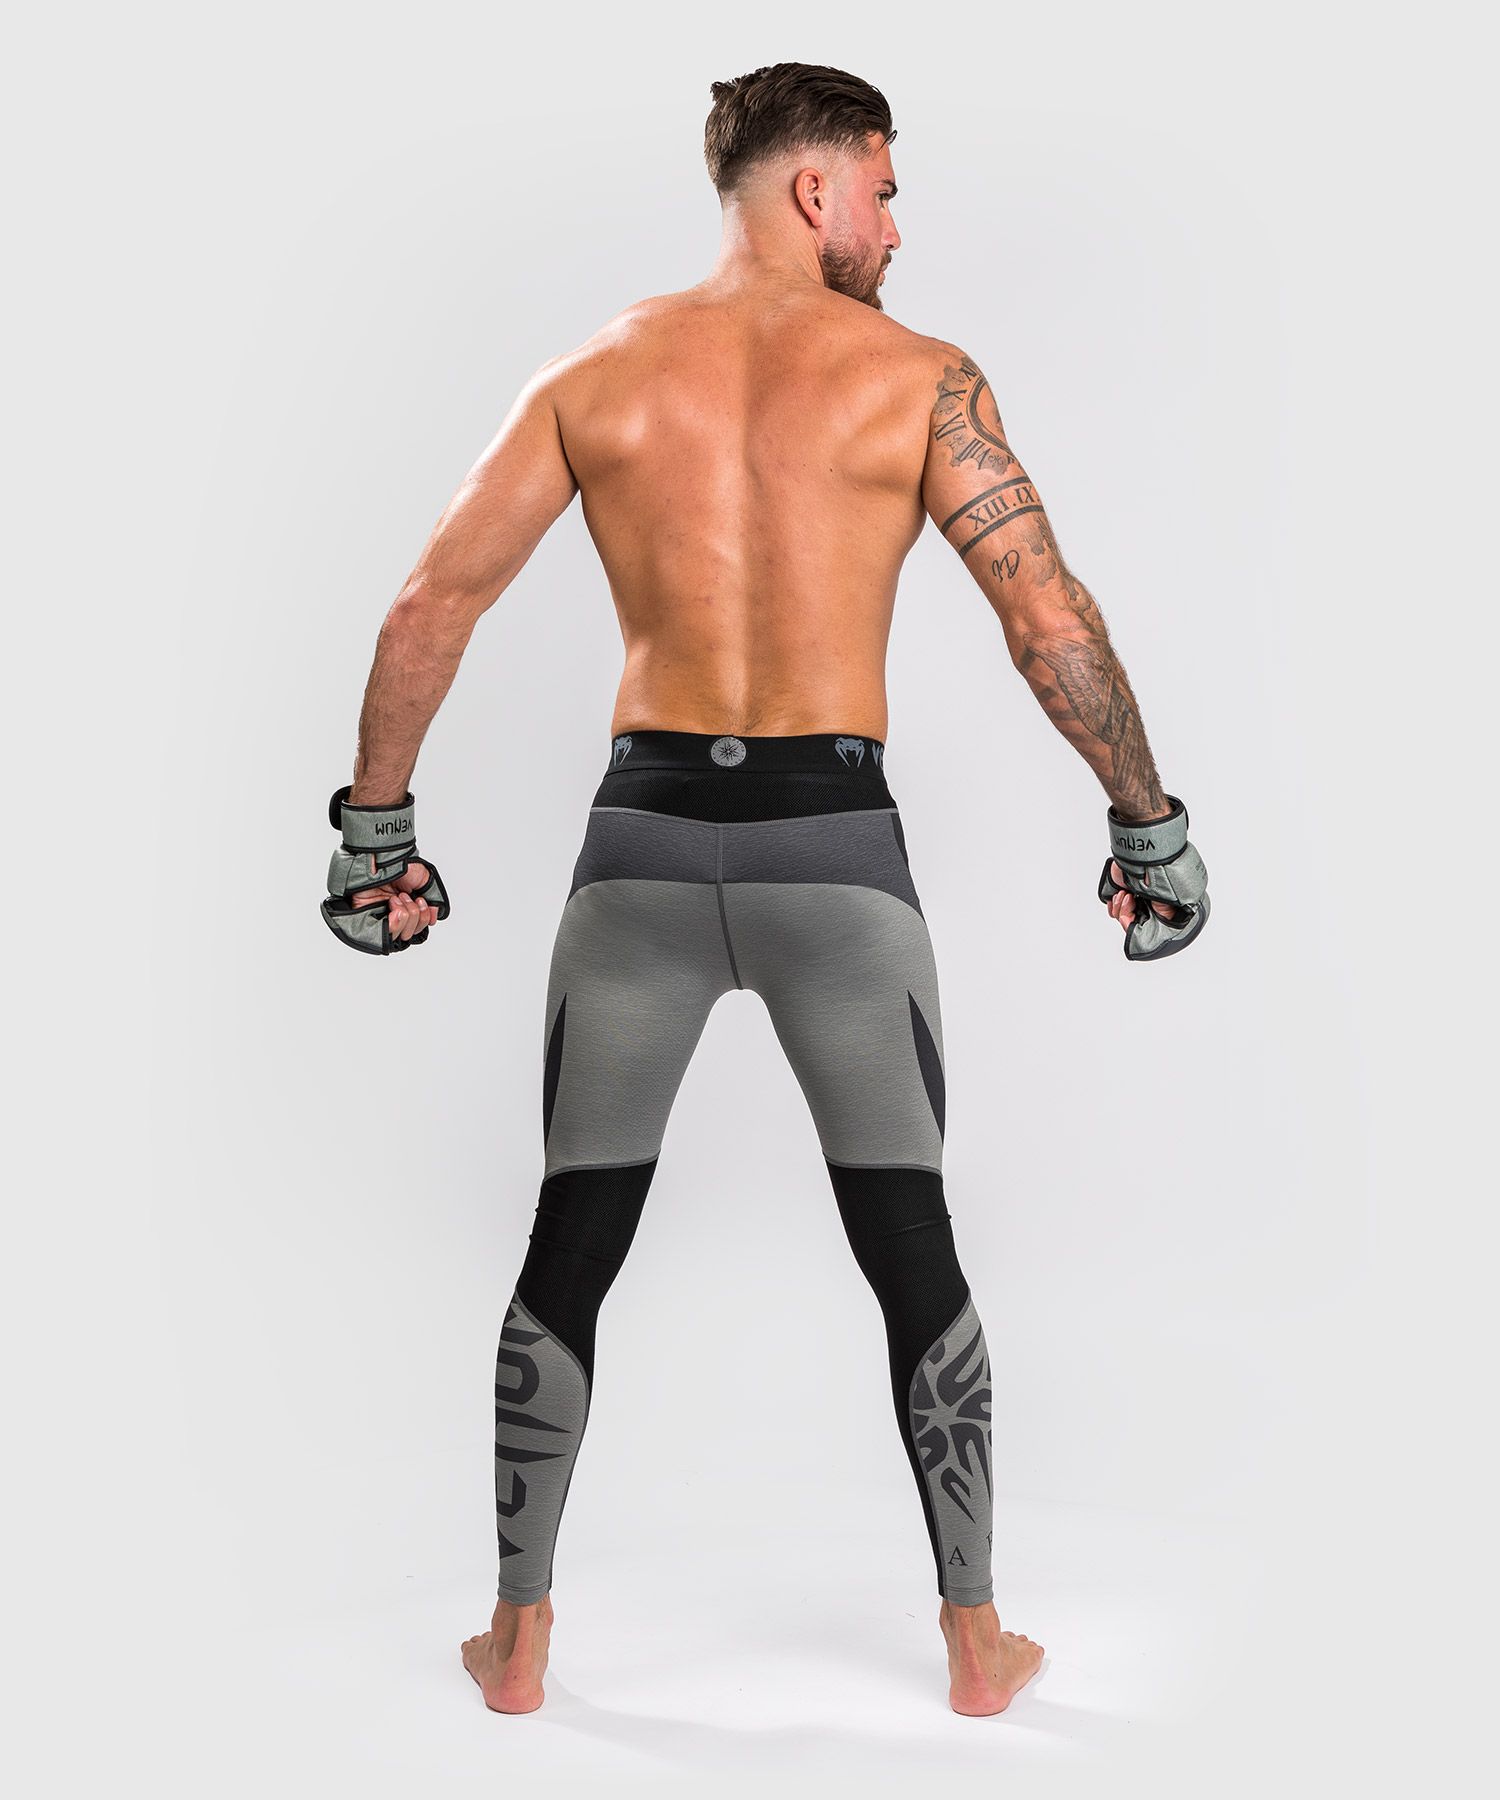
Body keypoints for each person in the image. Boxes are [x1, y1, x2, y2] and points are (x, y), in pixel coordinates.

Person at [319, 61, 1210, 1718]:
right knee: (912, 1245)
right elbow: (1048, 621)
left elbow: (428, 607)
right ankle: (976, 1645)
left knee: (570, 1242)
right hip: (835, 866)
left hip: (641, 856)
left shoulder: (594, 374)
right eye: (886, 187)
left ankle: (517, 1642)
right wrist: (1145, 825)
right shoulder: (919, 380)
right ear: (817, 187)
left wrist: (377, 840)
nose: (897, 226)